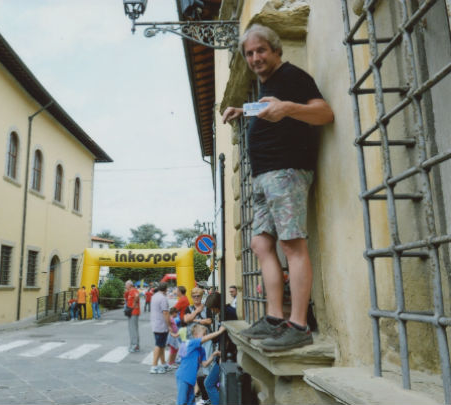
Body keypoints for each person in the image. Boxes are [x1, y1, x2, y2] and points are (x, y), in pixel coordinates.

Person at [222, 24, 334, 352]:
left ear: (276, 50)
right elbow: (272, 108)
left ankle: (298, 324)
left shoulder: (293, 76)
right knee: (259, 244)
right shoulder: (269, 85)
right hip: (263, 175)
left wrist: (287, 108)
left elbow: (324, 113)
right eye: (249, 53)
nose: (255, 58)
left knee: (292, 245)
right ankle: (273, 318)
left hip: (287, 172)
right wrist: (244, 110)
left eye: (261, 51)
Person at [176, 324, 225, 405]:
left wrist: (213, 355)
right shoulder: (191, 342)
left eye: (206, 334)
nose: (205, 336)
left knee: (191, 401)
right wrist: (219, 332)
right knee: (182, 401)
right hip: (183, 377)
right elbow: (204, 339)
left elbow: (205, 364)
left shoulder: (201, 349)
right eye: (204, 334)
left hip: (191, 379)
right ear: (196, 335)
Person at [203, 292, 239, 405]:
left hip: (227, 355)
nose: (212, 311)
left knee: (209, 383)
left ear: (217, 306)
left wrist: (223, 353)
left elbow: (228, 336)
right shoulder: (227, 312)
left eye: (213, 308)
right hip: (225, 353)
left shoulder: (227, 313)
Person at [149, 282, 171, 374]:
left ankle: (163, 363)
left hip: (155, 324)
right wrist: (169, 325)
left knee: (161, 345)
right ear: (166, 289)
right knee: (159, 345)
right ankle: (154, 366)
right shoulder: (163, 298)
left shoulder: (154, 296)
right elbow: (165, 313)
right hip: (161, 325)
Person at [125, 280, 140, 353]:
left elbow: (137, 296)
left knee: (133, 330)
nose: (125, 286)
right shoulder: (130, 291)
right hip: (132, 312)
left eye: (126, 285)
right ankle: (136, 345)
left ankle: (134, 346)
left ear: (129, 285)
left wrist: (133, 304)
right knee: (134, 329)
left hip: (133, 312)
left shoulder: (134, 290)